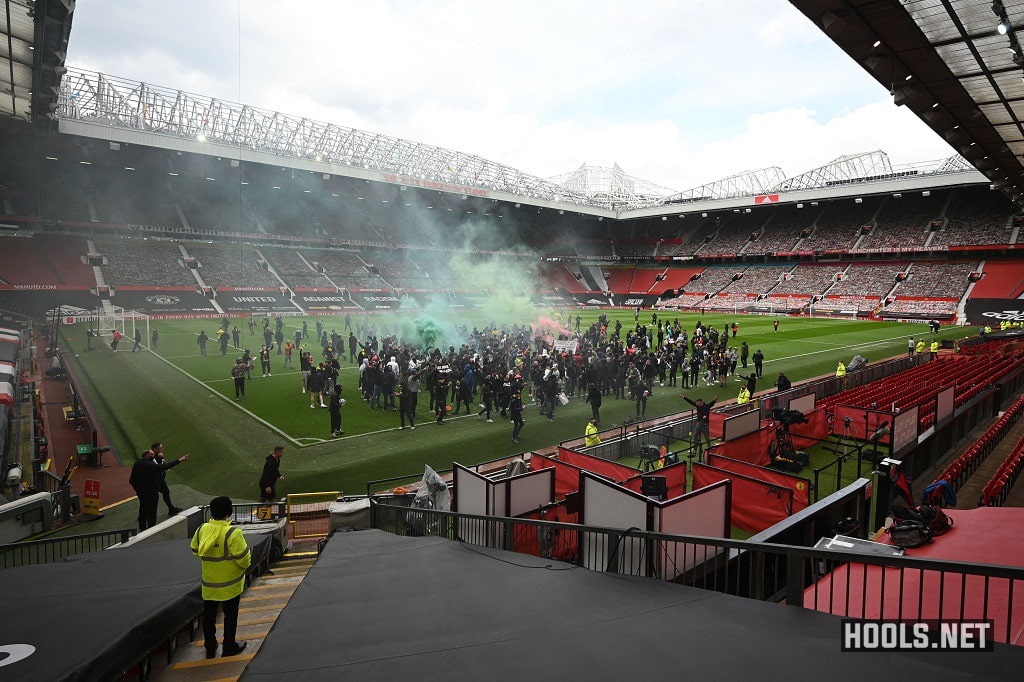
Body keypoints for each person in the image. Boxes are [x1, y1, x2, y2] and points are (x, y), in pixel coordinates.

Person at [191, 495, 250, 660]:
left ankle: (210, 646)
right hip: (230, 586)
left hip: (209, 585)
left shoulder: (202, 529)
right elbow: (245, 559)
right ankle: (229, 646)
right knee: (230, 616)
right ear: (229, 512)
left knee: (209, 616)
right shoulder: (233, 532)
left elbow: (195, 549)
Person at [129, 449, 189, 531]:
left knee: (143, 510)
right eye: (152, 455)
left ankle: (142, 529)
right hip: (152, 493)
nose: (154, 456)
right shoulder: (150, 465)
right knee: (152, 512)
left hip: (141, 493)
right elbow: (164, 467)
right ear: (147, 456)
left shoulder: (137, 464)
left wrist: (138, 490)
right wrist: (180, 460)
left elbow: (131, 480)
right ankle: (151, 530)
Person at [152, 441, 184, 516]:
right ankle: (144, 514)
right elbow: (160, 467)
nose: (161, 449)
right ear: (155, 449)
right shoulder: (154, 457)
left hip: (160, 479)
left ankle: (171, 509)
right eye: (160, 448)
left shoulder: (159, 455)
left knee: (166, 492)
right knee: (152, 498)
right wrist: (160, 458)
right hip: (155, 480)